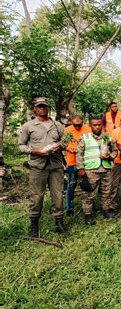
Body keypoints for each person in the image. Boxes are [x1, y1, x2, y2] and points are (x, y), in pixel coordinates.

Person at [19, 97, 66, 237]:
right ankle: (34, 224)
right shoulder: (28, 126)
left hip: (56, 165)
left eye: (45, 106)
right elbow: (21, 145)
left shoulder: (57, 125)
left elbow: (67, 141)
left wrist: (60, 146)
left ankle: (59, 222)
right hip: (37, 166)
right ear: (35, 108)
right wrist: (34, 151)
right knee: (36, 196)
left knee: (58, 195)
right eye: (39, 106)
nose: (42, 109)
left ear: (48, 108)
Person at [76, 117, 117, 224]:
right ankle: (88, 214)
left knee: (106, 191)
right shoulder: (84, 138)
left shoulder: (108, 137)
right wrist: (80, 168)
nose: (97, 127)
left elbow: (115, 151)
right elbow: (79, 154)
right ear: (90, 126)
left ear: (102, 125)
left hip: (106, 169)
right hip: (91, 170)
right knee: (89, 193)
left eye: (99, 124)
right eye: (94, 125)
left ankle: (106, 209)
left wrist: (110, 156)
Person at [64, 115, 91, 216]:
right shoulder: (67, 130)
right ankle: (69, 207)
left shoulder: (88, 129)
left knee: (89, 183)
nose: (78, 127)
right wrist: (69, 148)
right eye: (75, 125)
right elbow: (63, 143)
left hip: (86, 161)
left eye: (80, 125)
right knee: (71, 185)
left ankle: (91, 205)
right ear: (71, 122)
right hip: (72, 161)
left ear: (83, 122)